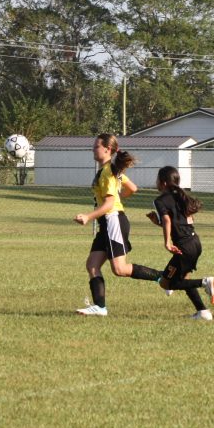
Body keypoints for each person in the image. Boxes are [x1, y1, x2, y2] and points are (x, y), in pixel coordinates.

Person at [72, 133, 162, 316]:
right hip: (108, 222)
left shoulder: (107, 172)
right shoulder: (111, 170)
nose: (93, 149)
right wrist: (117, 199)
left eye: (96, 146)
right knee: (92, 265)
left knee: (119, 269)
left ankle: (163, 277)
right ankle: (100, 307)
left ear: (107, 149)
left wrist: (89, 216)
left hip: (113, 221)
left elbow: (109, 204)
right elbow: (133, 189)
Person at [146, 165, 214, 320]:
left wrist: (167, 242)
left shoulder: (160, 200)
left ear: (163, 183)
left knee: (166, 284)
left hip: (184, 247)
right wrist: (156, 223)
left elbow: (167, 220)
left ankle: (205, 282)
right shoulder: (181, 197)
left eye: (157, 179)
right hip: (195, 243)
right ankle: (202, 312)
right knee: (182, 279)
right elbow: (177, 223)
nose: (156, 182)